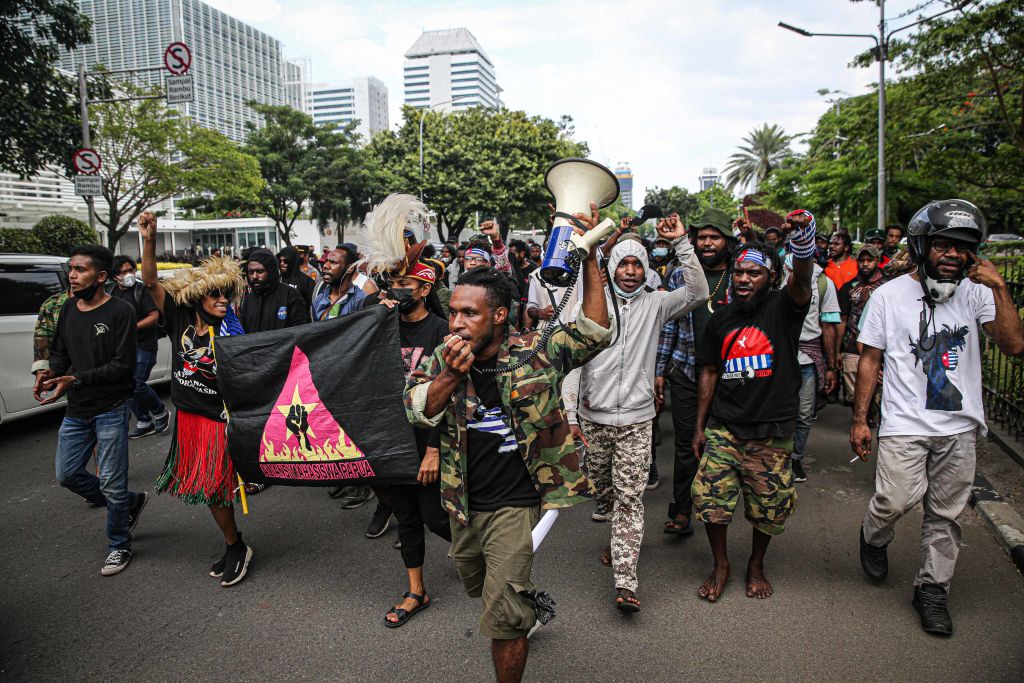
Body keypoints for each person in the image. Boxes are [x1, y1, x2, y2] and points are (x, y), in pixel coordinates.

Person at [404, 205, 612, 683]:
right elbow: (416, 408)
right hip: (463, 501)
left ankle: (517, 614)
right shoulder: (441, 356)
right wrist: (450, 378)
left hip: (517, 503)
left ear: (499, 315)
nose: (455, 322)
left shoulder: (536, 351)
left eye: (469, 313)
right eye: (452, 311)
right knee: (481, 586)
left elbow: (594, 331)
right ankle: (524, 604)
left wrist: (592, 259)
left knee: (501, 617)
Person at [851, 200, 1024, 636]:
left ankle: (932, 590)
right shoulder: (888, 296)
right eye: (943, 245)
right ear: (923, 245)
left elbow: (1013, 345)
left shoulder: (979, 293)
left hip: (960, 428)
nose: (952, 254)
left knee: (945, 516)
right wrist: (860, 419)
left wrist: (1000, 288)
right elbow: (869, 359)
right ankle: (873, 535)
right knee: (894, 500)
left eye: (962, 248)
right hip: (904, 424)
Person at [569, 214, 708, 612]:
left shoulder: (659, 303)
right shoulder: (592, 305)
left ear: (646, 268)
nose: (630, 271)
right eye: (623, 264)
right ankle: (619, 537)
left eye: (637, 264)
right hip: (594, 419)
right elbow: (574, 364)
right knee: (604, 491)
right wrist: (571, 414)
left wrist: (682, 243)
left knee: (630, 499)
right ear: (612, 267)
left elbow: (697, 292)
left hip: (636, 420)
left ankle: (625, 580)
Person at [691, 210, 817, 602]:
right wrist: (699, 426)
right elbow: (710, 371)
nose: (745, 279)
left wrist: (804, 242)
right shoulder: (720, 319)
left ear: (771, 278)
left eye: (755, 273)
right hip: (725, 427)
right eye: (740, 272)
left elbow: (803, 280)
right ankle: (721, 563)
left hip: (771, 431)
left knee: (770, 506)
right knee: (711, 502)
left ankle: (756, 564)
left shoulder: (784, 308)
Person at [138, 211, 255, 587]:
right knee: (210, 490)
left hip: (220, 419)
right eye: (214, 294)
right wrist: (150, 238)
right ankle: (234, 543)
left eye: (226, 294)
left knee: (215, 488)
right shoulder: (178, 320)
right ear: (199, 297)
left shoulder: (235, 329)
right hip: (189, 416)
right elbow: (151, 281)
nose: (222, 300)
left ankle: (235, 544)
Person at [33, 244, 147, 576]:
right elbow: (60, 353)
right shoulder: (68, 309)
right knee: (66, 474)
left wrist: (76, 379)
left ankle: (119, 544)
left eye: (80, 269)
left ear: (100, 277)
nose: (72, 274)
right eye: (71, 268)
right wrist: (50, 374)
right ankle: (129, 501)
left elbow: (122, 366)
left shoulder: (121, 311)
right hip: (77, 409)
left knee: (111, 481)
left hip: (111, 407)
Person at [373, 262, 453, 627]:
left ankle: (487, 553)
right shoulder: (380, 326)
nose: (396, 289)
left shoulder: (441, 330)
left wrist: (434, 449)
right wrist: (374, 313)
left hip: (427, 438)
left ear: (424, 289)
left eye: (405, 284)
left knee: (435, 517)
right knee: (405, 515)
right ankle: (416, 591)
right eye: (393, 283)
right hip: (391, 437)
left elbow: (448, 391)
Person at [656, 208, 735, 536]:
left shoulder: (740, 274)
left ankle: (721, 504)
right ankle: (682, 511)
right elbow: (669, 326)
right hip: (687, 369)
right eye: (701, 237)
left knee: (726, 441)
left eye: (713, 237)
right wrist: (660, 370)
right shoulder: (679, 275)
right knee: (687, 443)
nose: (706, 243)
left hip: (732, 374)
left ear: (726, 241)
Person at [784, 254, 840, 483]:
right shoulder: (777, 275)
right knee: (777, 409)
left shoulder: (823, 283)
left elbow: (828, 326)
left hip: (807, 358)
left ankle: (795, 458)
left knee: (804, 414)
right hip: (781, 356)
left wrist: (832, 367)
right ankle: (775, 457)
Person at [108, 255, 170, 439]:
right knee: (127, 386)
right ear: (114, 276)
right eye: (123, 272)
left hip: (145, 345)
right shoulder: (112, 293)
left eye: (131, 270)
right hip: (124, 347)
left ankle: (160, 412)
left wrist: (131, 328)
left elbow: (153, 316)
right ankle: (144, 421)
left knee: (137, 383)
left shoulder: (141, 290)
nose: (128, 275)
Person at [836, 244, 884, 411]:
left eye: (869, 260)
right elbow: (842, 319)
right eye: (862, 260)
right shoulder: (849, 287)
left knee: (878, 396)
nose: (865, 263)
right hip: (852, 348)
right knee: (854, 396)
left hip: (881, 349)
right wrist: (837, 350)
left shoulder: (887, 286)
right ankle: (860, 420)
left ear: (877, 260)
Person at [240, 249, 309, 331]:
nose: (255, 276)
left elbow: (300, 330)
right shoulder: (249, 299)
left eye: (260, 271)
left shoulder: (290, 294)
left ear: (270, 271)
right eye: (251, 272)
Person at [313, 245, 368, 321]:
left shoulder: (361, 300)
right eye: (326, 261)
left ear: (350, 268)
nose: (325, 265)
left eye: (333, 262)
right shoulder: (319, 299)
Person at [277, 246, 316, 312]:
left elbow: (312, 306)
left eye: (285, 261)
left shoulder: (307, 281)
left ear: (293, 261)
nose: (282, 264)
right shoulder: (276, 280)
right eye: (280, 261)